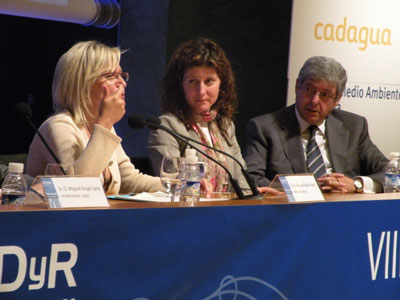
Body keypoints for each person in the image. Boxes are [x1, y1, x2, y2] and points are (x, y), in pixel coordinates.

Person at [26, 41, 163, 195]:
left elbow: (128, 179)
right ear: (82, 83)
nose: (122, 83)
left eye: (121, 75)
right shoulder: (58, 126)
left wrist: (176, 185)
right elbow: (78, 189)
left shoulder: (104, 127)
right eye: (111, 76)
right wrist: (105, 124)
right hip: (53, 218)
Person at [148, 37, 276, 194]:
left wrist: (255, 195)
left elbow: (242, 181)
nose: (201, 91)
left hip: (226, 214)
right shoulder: (167, 127)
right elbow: (173, 185)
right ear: (180, 85)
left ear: (221, 84)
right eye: (193, 82)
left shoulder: (225, 125)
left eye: (209, 81)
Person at [244, 56, 388, 193]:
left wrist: (358, 184)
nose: (314, 101)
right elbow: (250, 179)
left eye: (325, 95)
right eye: (309, 89)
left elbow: (392, 173)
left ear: (337, 99)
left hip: (343, 211)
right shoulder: (264, 128)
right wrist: (304, 190)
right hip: (291, 212)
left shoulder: (354, 126)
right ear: (297, 86)